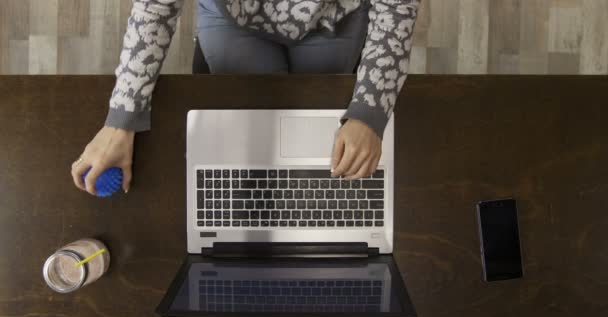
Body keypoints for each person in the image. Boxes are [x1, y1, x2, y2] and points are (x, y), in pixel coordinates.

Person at [71, 0, 420, 196]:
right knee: (250, 145)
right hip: (235, 16)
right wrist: (121, 120)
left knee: (314, 145)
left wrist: (369, 113)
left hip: (335, 16)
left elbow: (397, 7)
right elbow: (154, 9)